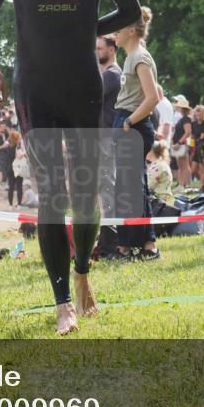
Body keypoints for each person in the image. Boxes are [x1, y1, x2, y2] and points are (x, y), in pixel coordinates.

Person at [0, 0, 142, 334]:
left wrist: (88, 27)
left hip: (82, 87)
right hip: (35, 90)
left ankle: (83, 269)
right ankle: (62, 301)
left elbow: (131, 11)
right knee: (52, 193)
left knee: (85, 196)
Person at [111, 6, 161, 261]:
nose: (114, 35)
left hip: (132, 124)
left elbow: (153, 97)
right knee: (130, 187)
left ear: (131, 30)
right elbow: (156, 93)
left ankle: (133, 246)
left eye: (118, 29)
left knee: (131, 188)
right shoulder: (132, 57)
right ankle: (142, 244)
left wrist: (129, 121)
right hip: (128, 122)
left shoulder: (139, 57)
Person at [95, 35, 122, 258]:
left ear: (112, 49)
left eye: (100, 48)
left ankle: (110, 241)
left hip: (107, 137)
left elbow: (89, 95)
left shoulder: (112, 74)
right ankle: (106, 239)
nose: (96, 52)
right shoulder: (106, 74)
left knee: (107, 188)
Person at [170, 96, 193, 188]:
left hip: (181, 144)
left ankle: (187, 184)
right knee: (180, 165)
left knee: (184, 164)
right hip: (177, 144)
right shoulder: (182, 119)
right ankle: (181, 184)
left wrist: (179, 143)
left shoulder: (186, 119)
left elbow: (188, 132)